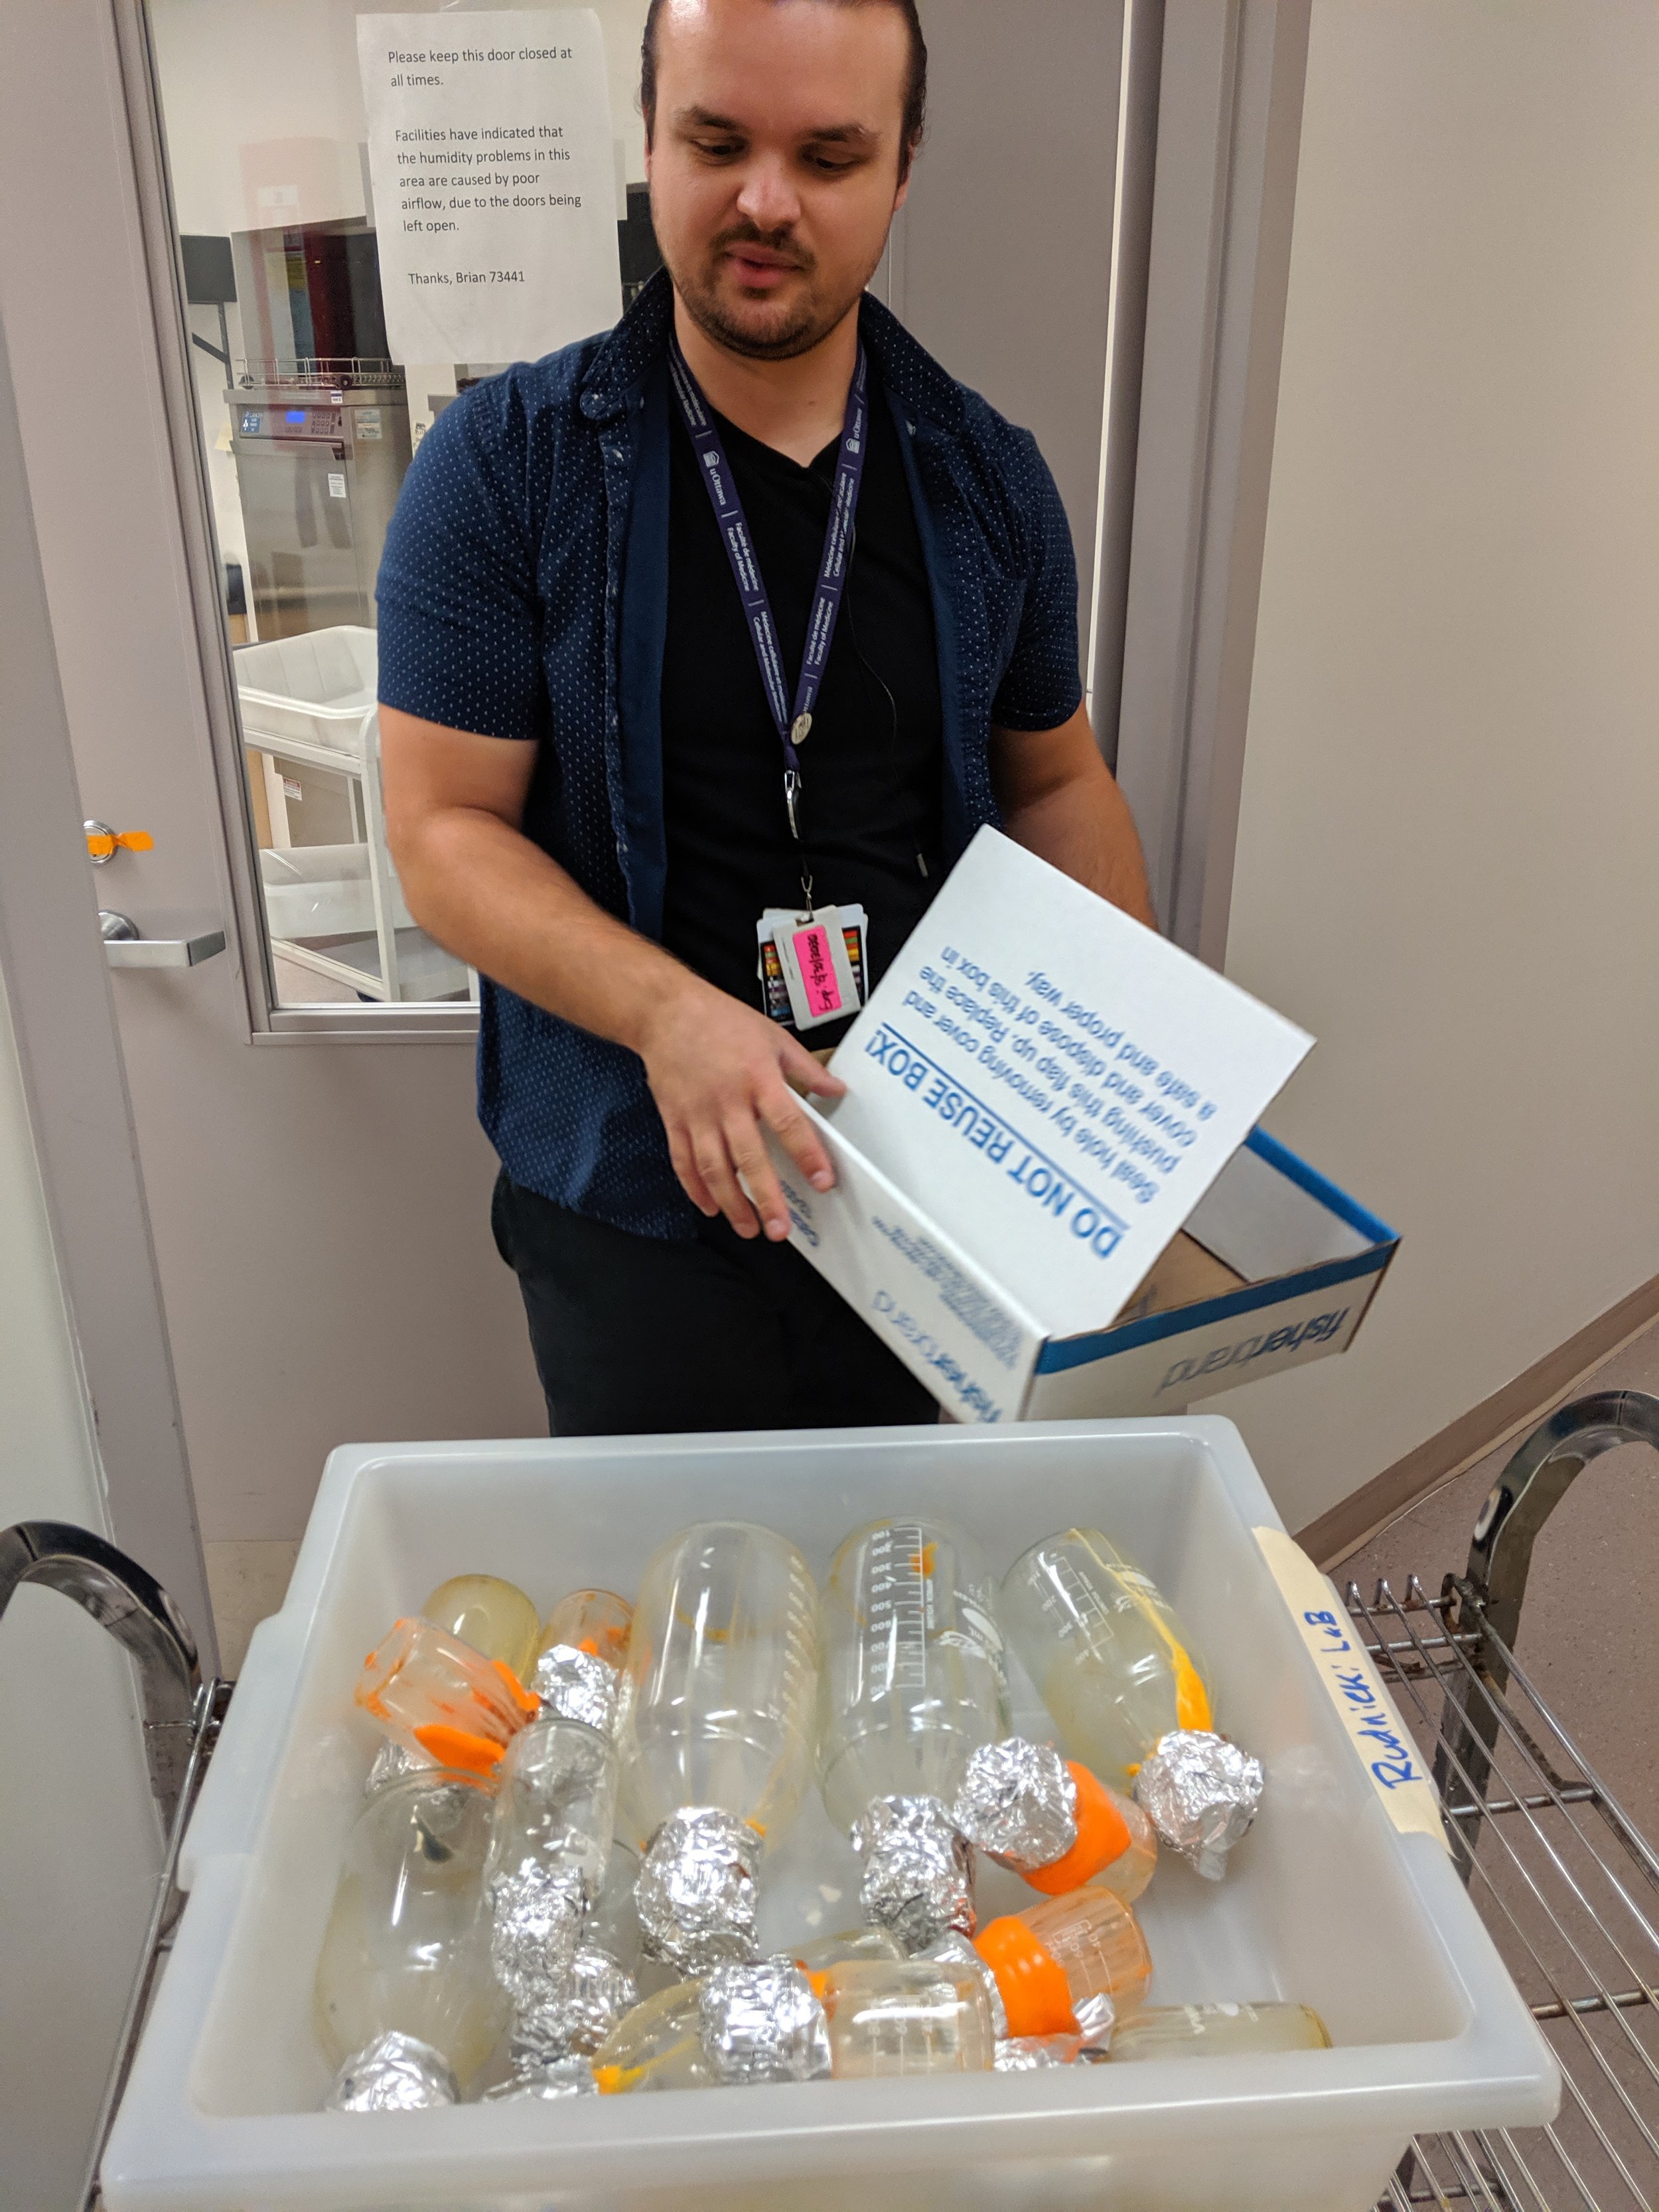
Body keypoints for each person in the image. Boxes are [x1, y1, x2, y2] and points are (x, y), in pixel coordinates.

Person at [377, 0, 1155, 1437]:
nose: (764, 201)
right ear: (652, 138)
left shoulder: (988, 480)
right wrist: (672, 1015)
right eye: (717, 141)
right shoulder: (504, 470)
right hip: (634, 1206)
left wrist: (1120, 1078)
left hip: (927, 1199)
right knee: (683, 1619)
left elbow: (1054, 781)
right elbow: (440, 830)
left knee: (911, 1599)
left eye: (830, 155)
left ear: (904, 167)